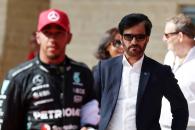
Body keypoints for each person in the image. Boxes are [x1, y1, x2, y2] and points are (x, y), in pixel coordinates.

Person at [0, 9, 99, 130]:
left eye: (59, 33)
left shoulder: (82, 73)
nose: (52, 39)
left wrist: (89, 127)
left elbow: (91, 113)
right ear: (38, 37)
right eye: (47, 32)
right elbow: (5, 124)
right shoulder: (18, 77)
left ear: (69, 37)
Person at [93, 13, 189, 130]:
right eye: (128, 37)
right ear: (122, 38)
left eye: (140, 37)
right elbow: (91, 104)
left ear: (147, 39)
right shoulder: (104, 68)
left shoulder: (159, 72)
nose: (134, 42)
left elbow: (180, 108)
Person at [160, 14, 195, 130]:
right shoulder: (169, 56)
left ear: (180, 36)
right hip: (164, 126)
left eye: (167, 35)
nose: (163, 39)